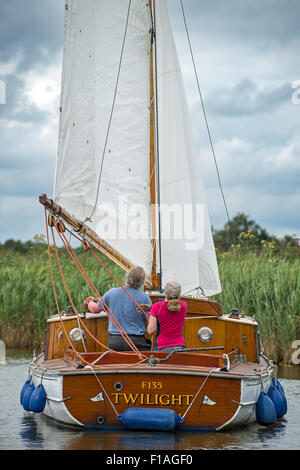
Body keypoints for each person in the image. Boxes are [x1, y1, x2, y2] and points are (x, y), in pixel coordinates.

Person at [85, 266, 152, 351]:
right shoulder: (145, 298)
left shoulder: (111, 293)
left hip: (115, 342)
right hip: (137, 342)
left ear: (127, 277)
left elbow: (94, 309)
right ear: (142, 282)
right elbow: (151, 323)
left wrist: (89, 301)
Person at [147, 278, 187, 352]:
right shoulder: (184, 305)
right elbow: (170, 308)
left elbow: (151, 330)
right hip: (180, 346)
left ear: (165, 292)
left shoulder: (156, 307)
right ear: (179, 293)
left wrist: (151, 311)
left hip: (162, 347)